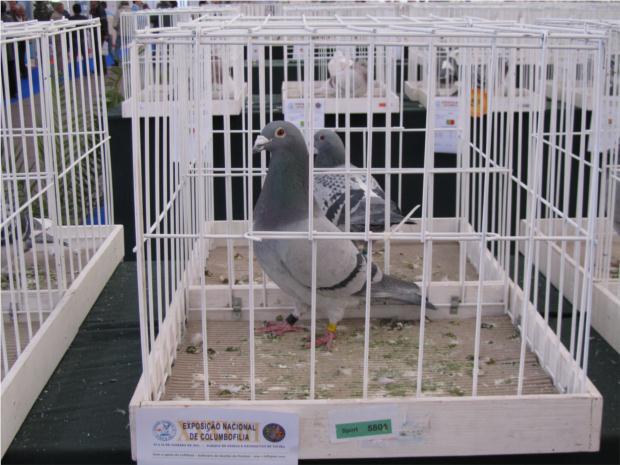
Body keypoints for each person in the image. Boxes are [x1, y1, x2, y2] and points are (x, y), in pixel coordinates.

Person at [90, 1, 108, 75]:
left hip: (101, 34)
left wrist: (105, 34)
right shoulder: (93, 9)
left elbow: (104, 22)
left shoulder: (100, 9)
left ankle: (102, 69)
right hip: (96, 33)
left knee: (100, 52)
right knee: (97, 52)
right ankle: (99, 69)